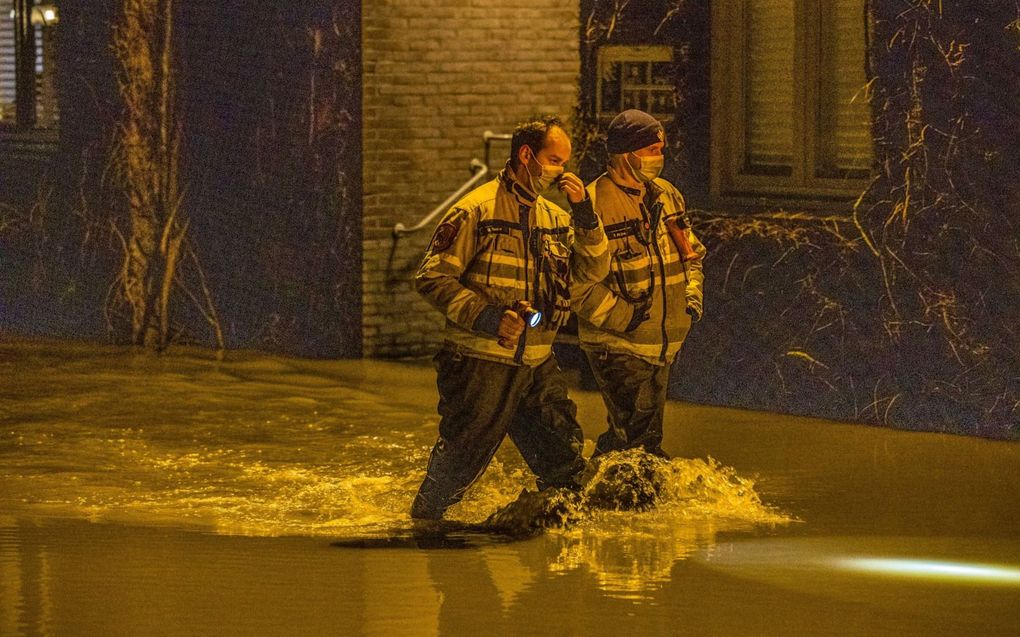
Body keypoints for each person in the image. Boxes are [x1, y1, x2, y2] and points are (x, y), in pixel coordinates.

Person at [410, 115, 610, 520]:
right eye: (554, 160)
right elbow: (431, 277)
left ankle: (563, 564)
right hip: (480, 364)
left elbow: (591, 272)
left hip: (536, 364)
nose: (561, 171)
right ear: (526, 155)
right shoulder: (476, 210)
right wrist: (489, 318)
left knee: (565, 464)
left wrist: (586, 216)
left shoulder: (555, 219)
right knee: (458, 467)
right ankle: (425, 534)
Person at [572, 109, 705, 459]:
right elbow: (577, 286)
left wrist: (691, 295)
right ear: (625, 154)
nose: (658, 159)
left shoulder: (667, 195)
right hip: (616, 345)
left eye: (660, 150)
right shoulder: (592, 204)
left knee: (627, 438)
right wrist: (626, 318)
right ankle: (641, 508)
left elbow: (691, 253)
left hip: (662, 342)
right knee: (642, 441)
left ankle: (587, 492)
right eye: (650, 151)